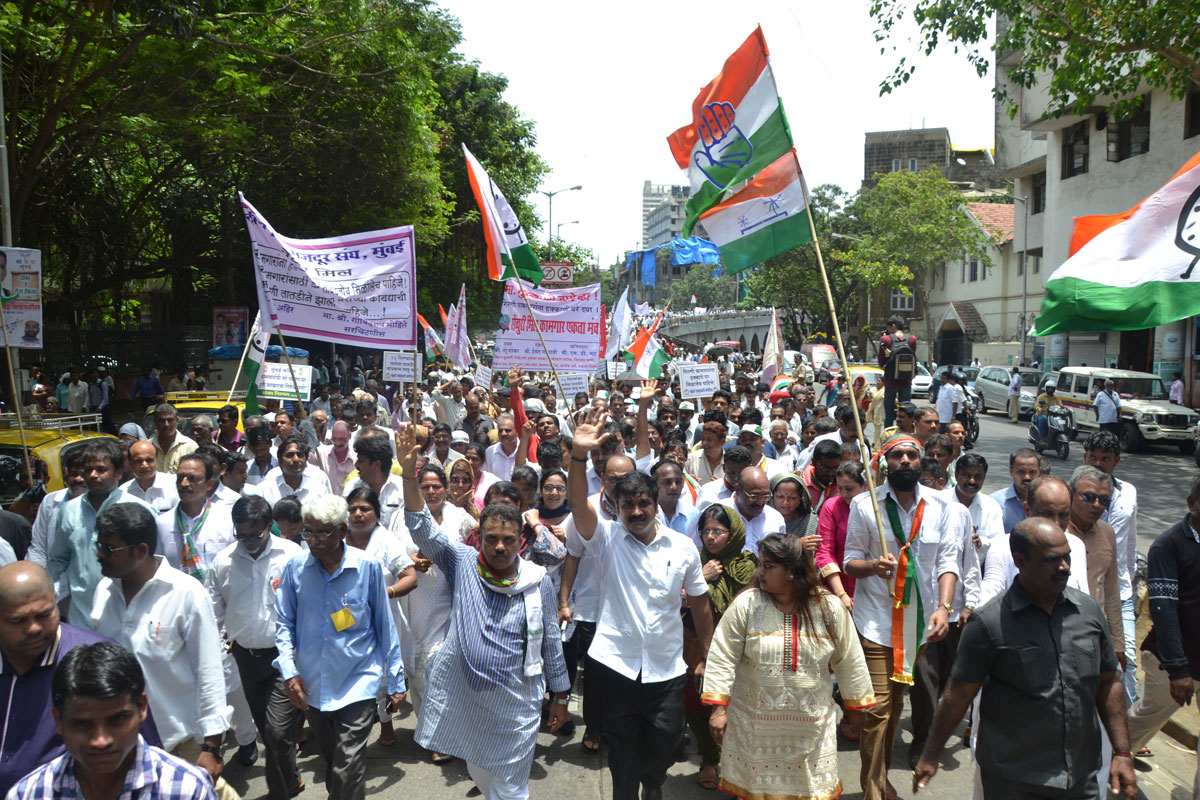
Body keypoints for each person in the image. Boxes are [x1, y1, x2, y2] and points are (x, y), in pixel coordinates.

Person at [395, 425, 570, 800]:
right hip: (468, 698)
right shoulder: (463, 561)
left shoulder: (537, 580)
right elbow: (421, 525)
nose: (500, 547)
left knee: (510, 788)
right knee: (481, 773)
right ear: (480, 536)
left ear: (520, 540)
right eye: (491, 538)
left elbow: (551, 642)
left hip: (519, 706)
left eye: (509, 539)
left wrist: (561, 696)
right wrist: (410, 475)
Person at [911, 518, 1138, 800]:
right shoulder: (989, 623)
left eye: (1067, 557)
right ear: (1020, 560)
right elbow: (958, 694)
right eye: (1052, 560)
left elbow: (1109, 682)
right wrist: (930, 754)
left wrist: (1123, 752)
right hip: (1014, 780)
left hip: (1080, 776)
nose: (1065, 566)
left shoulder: (1088, 612)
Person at [567, 407, 714, 800]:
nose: (635, 512)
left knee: (666, 743)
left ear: (654, 503)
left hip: (667, 669)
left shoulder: (683, 548)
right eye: (626, 504)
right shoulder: (606, 539)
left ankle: (654, 782)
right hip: (615, 665)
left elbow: (699, 603)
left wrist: (708, 655)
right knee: (622, 750)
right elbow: (579, 504)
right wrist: (579, 457)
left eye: (642, 503)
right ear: (616, 506)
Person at [703, 532, 874, 799]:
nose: (760, 572)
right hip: (756, 731)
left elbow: (849, 659)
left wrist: (855, 709)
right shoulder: (747, 604)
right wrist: (718, 710)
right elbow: (722, 655)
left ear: (792, 571)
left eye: (768, 566)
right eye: (760, 564)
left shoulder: (827, 606)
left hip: (812, 729)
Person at [843, 433, 962, 800]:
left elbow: (947, 562)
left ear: (920, 461)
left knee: (895, 706)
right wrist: (871, 566)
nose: (906, 461)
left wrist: (944, 607)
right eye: (898, 456)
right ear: (885, 463)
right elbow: (849, 560)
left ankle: (876, 777)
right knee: (878, 710)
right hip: (876, 622)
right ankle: (874, 790)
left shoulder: (942, 507)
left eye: (912, 455)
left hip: (917, 627)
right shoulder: (866, 506)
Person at [89, 503, 236, 799]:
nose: (99, 554)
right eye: (99, 545)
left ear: (140, 550)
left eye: (109, 548)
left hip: (181, 745)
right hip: (124, 745)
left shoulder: (185, 594)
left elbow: (209, 671)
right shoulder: (103, 592)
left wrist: (211, 747)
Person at [274, 494, 405, 800]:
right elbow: (282, 626)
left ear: (342, 531)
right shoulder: (294, 568)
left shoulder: (367, 567)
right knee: (334, 765)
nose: (314, 541)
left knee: (348, 766)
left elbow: (386, 627)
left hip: (358, 682)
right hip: (313, 687)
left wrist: (397, 681)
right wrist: (289, 672)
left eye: (322, 533)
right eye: (308, 532)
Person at [0, 562, 163, 796]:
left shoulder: (94, 661)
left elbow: (146, 757)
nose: (34, 628)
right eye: (18, 621)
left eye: (44, 614)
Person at [8, 642, 218, 800]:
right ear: (59, 720)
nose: (100, 740)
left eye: (117, 719)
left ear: (141, 707)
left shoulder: (187, 790)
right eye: (82, 724)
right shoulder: (29, 794)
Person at [205, 496, 304, 800]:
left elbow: (308, 603)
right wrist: (221, 643)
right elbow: (213, 611)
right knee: (266, 729)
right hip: (245, 658)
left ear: (268, 525)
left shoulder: (291, 554)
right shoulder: (223, 562)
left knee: (276, 731)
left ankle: (280, 790)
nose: (248, 541)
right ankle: (291, 779)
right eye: (241, 535)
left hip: (284, 657)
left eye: (254, 534)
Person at [1126, 473, 1200, 787]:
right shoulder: (1168, 545)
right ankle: (1100, 758)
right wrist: (1178, 668)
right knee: (1147, 716)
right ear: (1192, 503)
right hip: (1171, 660)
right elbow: (1164, 608)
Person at [686, 504, 758, 788]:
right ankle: (708, 758)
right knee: (697, 704)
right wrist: (699, 578)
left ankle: (737, 765)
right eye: (705, 531)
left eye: (718, 531)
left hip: (738, 648)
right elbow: (677, 600)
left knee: (738, 706)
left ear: (734, 533)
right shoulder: (693, 562)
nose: (711, 538)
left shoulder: (749, 565)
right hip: (695, 644)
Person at [48, 440, 155, 628]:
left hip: (129, 619)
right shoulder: (68, 511)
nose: (93, 475)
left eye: (101, 469)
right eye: (88, 470)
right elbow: (58, 560)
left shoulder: (141, 510)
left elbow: (155, 561)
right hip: (82, 618)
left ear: (119, 473)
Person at [1083, 430, 1139, 707]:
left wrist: (1131, 575)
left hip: (1121, 593)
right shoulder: (1075, 494)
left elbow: (1130, 543)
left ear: (1116, 461)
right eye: (1093, 457)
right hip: (1088, 592)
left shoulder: (1128, 493)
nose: (1098, 464)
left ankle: (1127, 736)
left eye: (1105, 458)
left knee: (1125, 659)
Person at [343, 432, 404, 527]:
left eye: (361, 461)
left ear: (376, 464)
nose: (356, 465)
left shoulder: (402, 489)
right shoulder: (351, 487)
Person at [878, 315, 918, 428]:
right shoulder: (912, 339)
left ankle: (889, 434)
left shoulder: (885, 339)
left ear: (893, 326)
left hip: (890, 380)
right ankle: (905, 431)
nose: (888, 331)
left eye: (889, 328)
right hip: (906, 380)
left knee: (889, 413)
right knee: (905, 411)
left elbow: (881, 361)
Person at [989, 447, 1041, 534]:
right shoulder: (994, 503)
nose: (1027, 477)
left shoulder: (1048, 502)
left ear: (1039, 472)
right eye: (1021, 472)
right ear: (1011, 471)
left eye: (1032, 472)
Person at [119, 441, 179, 513]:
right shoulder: (123, 492)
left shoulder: (174, 484)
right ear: (130, 464)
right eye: (138, 461)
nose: (144, 465)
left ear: (156, 462)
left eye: (149, 460)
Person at [149, 404, 198, 474]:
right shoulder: (148, 446)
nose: (166, 424)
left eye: (170, 420)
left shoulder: (190, 447)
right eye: (162, 421)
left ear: (177, 420)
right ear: (155, 422)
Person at [769, 472, 816, 542]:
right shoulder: (762, 518)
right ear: (772, 497)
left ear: (800, 499)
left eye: (792, 498)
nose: (785, 502)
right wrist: (798, 545)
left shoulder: (809, 521)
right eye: (780, 497)